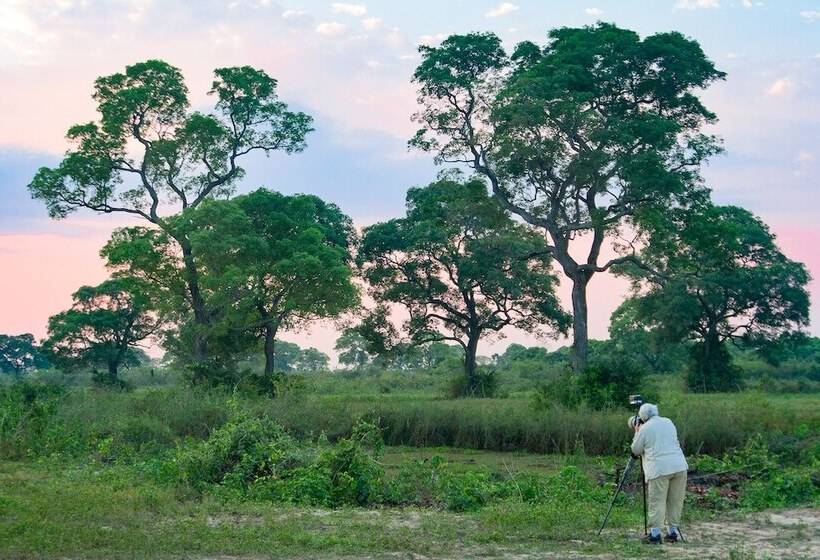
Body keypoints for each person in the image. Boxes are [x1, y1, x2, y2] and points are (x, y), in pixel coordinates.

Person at [630, 403, 688, 544]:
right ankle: (672, 533)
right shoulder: (668, 421)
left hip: (659, 470)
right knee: (675, 501)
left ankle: (655, 535)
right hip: (679, 466)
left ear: (643, 417)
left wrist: (637, 432)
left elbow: (635, 450)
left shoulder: (644, 428)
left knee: (657, 501)